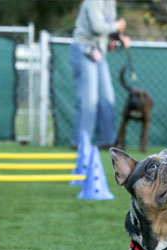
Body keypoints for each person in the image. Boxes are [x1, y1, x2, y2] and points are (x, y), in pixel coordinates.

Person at [70, 0, 130, 148]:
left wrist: (119, 37)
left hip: (99, 54)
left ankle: (107, 141)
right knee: (89, 100)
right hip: (83, 49)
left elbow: (106, 30)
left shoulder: (111, 3)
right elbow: (97, 27)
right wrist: (117, 25)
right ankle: (80, 142)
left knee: (107, 99)